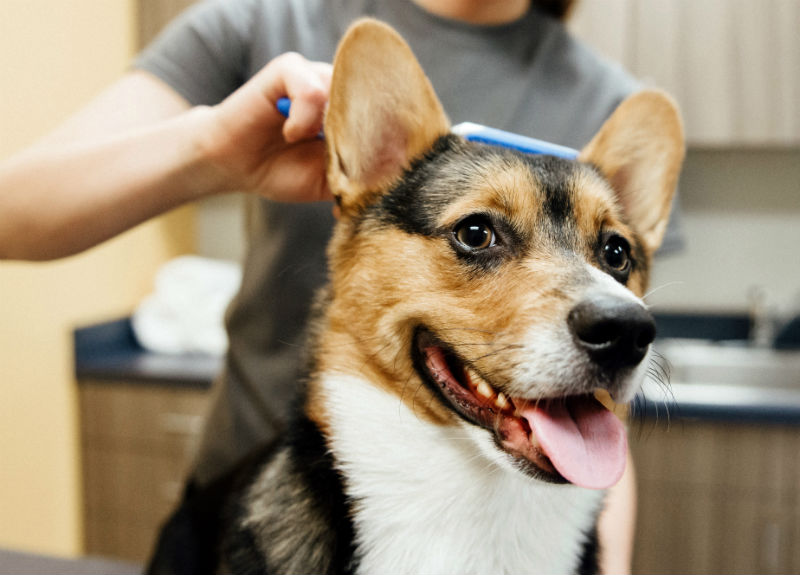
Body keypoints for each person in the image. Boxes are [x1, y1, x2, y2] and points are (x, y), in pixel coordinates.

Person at [0, 0, 678, 571]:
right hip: (246, 508)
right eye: (477, 234)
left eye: (614, 251)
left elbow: (588, 408)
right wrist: (212, 148)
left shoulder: (604, 90)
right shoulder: (271, 17)